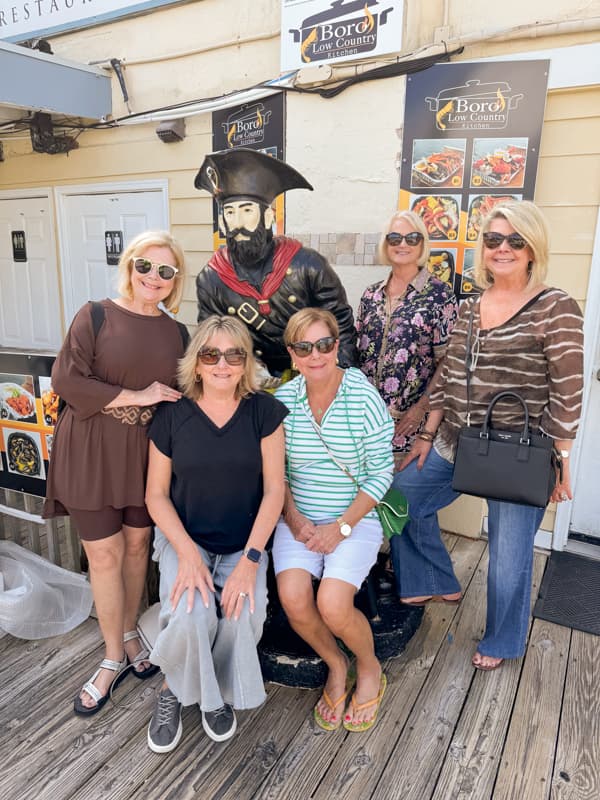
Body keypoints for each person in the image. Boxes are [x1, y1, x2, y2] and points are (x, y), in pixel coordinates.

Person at [392, 200, 584, 669]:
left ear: (533, 247)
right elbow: (448, 374)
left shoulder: (555, 306)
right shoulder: (470, 305)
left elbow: (569, 388)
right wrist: (427, 432)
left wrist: (561, 460)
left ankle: (502, 640)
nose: (502, 248)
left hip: (520, 453)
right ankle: (433, 577)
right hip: (458, 440)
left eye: (514, 240)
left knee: (507, 557)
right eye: (494, 239)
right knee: (397, 500)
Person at [43, 230, 189, 715]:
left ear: (174, 281)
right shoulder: (95, 314)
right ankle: (109, 659)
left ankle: (128, 634)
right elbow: (66, 380)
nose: (153, 277)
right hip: (89, 450)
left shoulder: (177, 333)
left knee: (136, 549)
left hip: (145, 457)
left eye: (165, 271)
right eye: (145, 266)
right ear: (130, 266)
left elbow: (184, 394)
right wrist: (138, 395)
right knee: (103, 556)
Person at [144, 315, 287, 753]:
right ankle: (171, 688)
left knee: (244, 613)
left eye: (233, 354)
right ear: (197, 362)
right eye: (211, 354)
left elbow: (274, 490)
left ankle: (215, 694)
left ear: (245, 362)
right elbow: (155, 495)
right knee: (191, 614)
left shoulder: (264, 411)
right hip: (185, 538)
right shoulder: (172, 416)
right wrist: (186, 553)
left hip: (243, 544)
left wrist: (250, 561)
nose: (221, 364)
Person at [273, 308, 394, 732]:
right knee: (292, 597)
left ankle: (368, 665)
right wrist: (292, 516)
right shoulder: (283, 404)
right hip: (299, 519)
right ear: (292, 354)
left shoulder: (363, 397)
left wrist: (340, 527)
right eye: (304, 347)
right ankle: (335, 663)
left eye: (324, 344)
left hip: (354, 518)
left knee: (333, 604)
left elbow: (381, 472)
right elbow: (277, 474)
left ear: (337, 347)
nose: (316, 355)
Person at [194, 148, 357, 377]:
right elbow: (210, 337)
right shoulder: (211, 279)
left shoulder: (308, 265)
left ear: (268, 217)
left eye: (247, 210)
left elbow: (340, 327)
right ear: (222, 223)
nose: (238, 222)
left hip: (309, 378)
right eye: (229, 213)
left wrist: (339, 383)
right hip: (249, 383)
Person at [356, 210, 458, 471]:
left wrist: (422, 408)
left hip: (411, 426)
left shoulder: (439, 295)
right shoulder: (371, 296)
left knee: (406, 504)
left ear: (422, 244)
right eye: (395, 238)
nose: (403, 244)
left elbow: (448, 362)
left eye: (412, 238)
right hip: (366, 427)